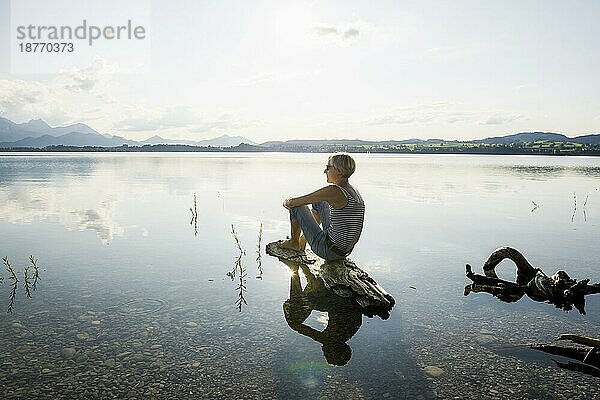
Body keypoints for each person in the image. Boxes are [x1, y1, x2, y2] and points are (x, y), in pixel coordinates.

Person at [280, 153, 365, 261]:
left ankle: (294, 243)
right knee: (320, 202)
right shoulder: (353, 191)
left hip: (328, 251)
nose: (325, 171)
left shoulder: (334, 191)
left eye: (328, 168)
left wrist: (287, 202)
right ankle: (303, 240)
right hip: (343, 251)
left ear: (339, 171)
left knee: (297, 207)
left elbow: (294, 203)